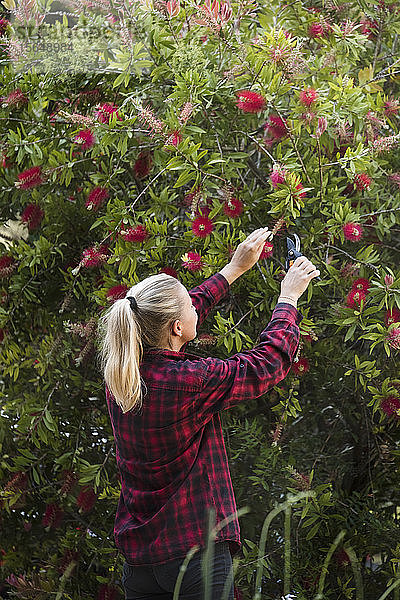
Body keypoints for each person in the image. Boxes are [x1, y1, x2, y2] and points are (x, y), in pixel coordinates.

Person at [97, 227, 320, 600]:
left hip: (141, 563)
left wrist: (233, 269)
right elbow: (265, 365)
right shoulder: (188, 381)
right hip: (194, 556)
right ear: (177, 327)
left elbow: (177, 313)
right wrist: (288, 297)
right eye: (187, 302)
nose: (193, 301)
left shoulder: (121, 374)